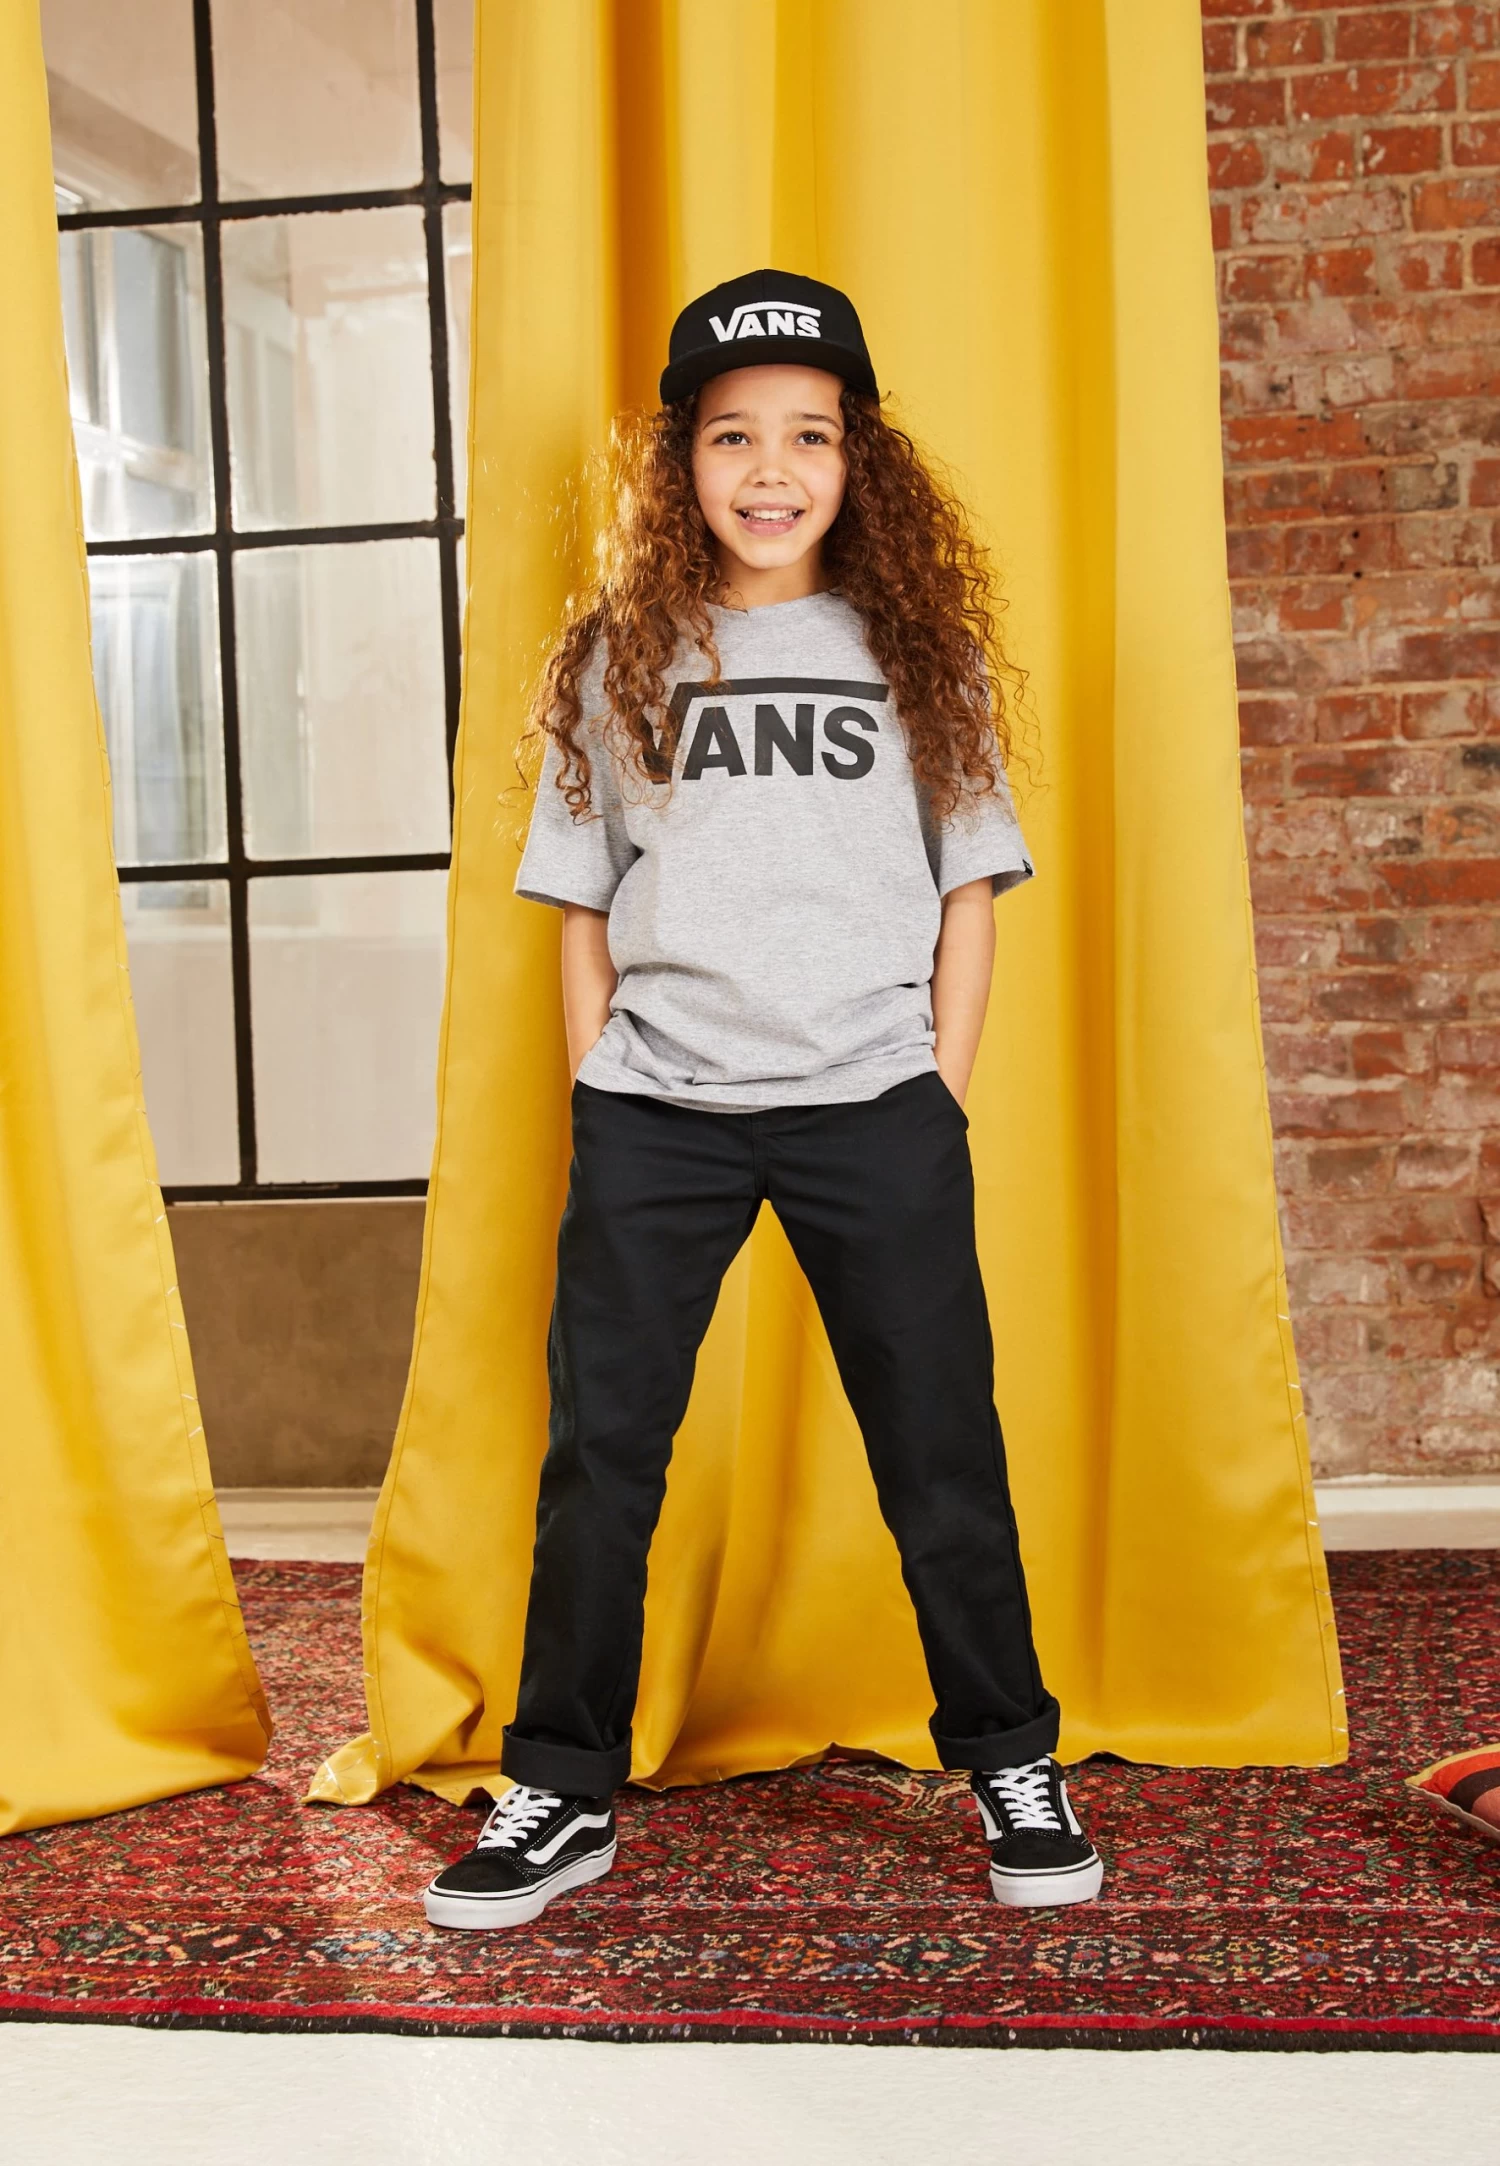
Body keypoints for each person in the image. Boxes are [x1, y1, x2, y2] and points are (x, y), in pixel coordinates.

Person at [423, 270, 1103, 1931]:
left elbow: (969, 892)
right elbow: (581, 901)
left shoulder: (921, 652)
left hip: (873, 1101)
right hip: (658, 1109)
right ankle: (558, 1785)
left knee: (940, 1448)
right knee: (601, 1457)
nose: (772, 469)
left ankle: (1012, 1758)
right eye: (733, 437)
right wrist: (602, 1089)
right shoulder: (619, 653)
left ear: (861, 459)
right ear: (683, 464)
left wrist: (935, 1094)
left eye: (810, 434)